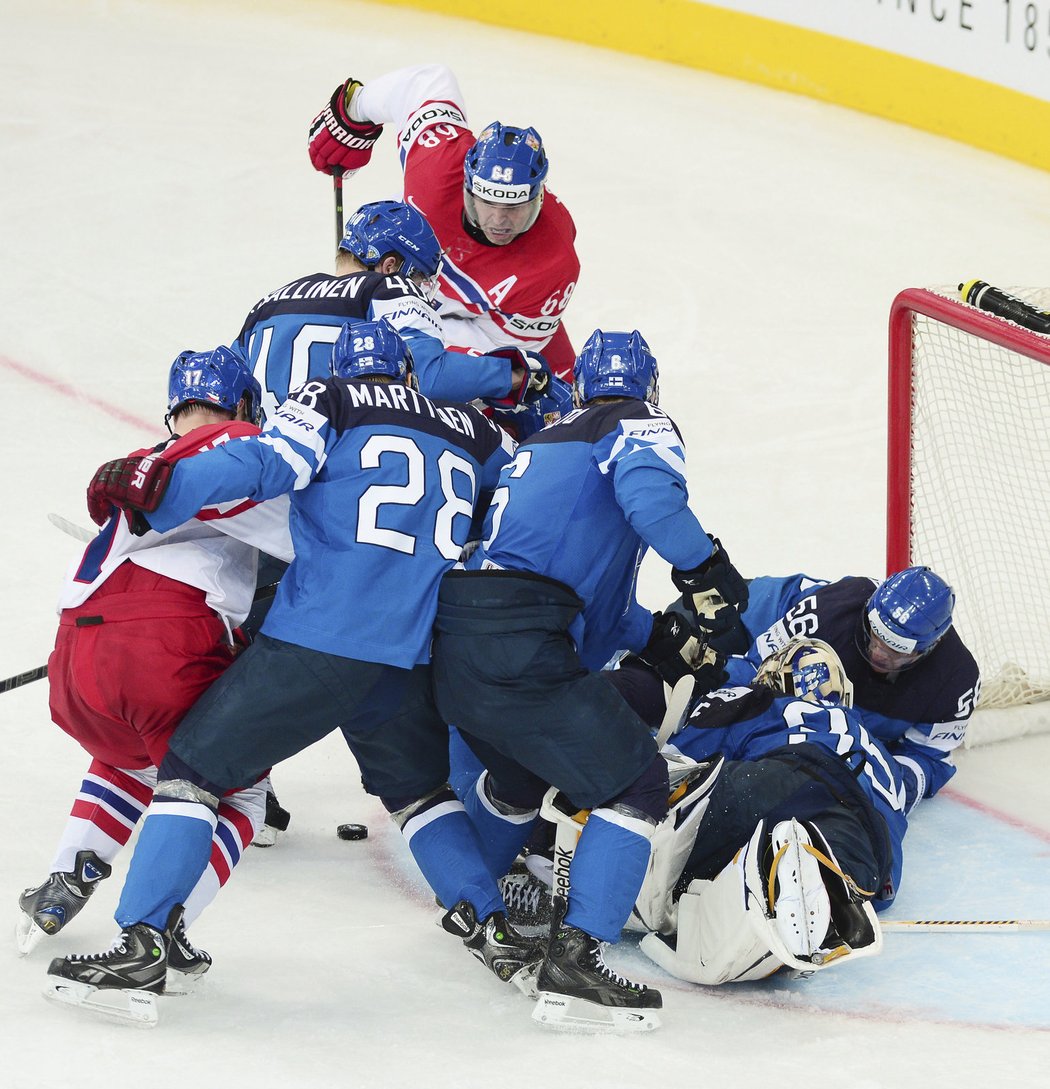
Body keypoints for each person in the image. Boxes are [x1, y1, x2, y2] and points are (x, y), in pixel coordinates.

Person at [45, 321, 523, 1026]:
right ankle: (494, 927)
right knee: (419, 792)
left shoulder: (333, 400)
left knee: (192, 766)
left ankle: (142, 944)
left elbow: (260, 464)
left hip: (319, 641)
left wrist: (166, 482)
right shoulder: (476, 434)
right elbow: (517, 509)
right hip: (408, 654)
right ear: (410, 376)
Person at [428, 329, 749, 1032]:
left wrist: (660, 635)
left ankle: (479, 905)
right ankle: (576, 961)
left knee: (517, 776)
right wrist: (706, 573)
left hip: (463, 634)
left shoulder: (542, 441)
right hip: (525, 640)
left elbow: (589, 608)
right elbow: (652, 502)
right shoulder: (635, 422)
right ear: (650, 388)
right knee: (635, 782)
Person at [19, 346, 293, 986]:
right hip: (163, 642)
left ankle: (66, 879)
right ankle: (161, 934)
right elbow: (311, 539)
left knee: (127, 759)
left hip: (76, 658)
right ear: (245, 406)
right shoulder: (240, 450)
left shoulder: (151, 460)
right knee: (238, 788)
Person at [636, 637, 905, 985]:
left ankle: (641, 875)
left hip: (777, 780)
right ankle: (807, 888)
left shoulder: (761, 702)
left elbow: (678, 760)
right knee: (837, 873)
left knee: (668, 817)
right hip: (865, 837)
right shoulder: (881, 752)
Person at [308, 64, 581, 380]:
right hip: (386, 260)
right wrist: (354, 112)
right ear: (466, 186)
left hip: (467, 320)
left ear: (538, 198)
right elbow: (426, 82)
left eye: (514, 207)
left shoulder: (554, 261)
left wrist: (411, 329)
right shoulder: (439, 161)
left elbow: (498, 345)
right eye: (487, 202)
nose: (499, 220)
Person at [236, 198, 553, 426]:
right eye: (418, 276)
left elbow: (226, 388)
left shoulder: (267, 303)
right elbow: (429, 378)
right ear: (391, 265)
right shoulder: (387, 288)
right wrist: (512, 375)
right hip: (336, 469)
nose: (421, 287)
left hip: (269, 469)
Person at [720, 566, 981, 813]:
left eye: (895, 650)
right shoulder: (831, 613)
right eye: (874, 635)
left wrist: (878, 790)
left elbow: (928, 759)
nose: (878, 653)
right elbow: (753, 672)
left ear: (927, 649)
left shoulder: (955, 680)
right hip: (748, 613)